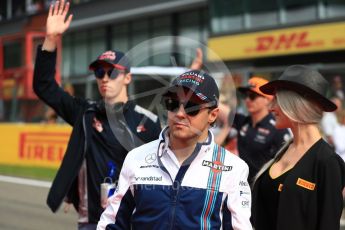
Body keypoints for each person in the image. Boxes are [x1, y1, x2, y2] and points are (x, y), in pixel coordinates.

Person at [33, 1, 161, 229]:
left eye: (111, 72)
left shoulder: (147, 122)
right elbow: (44, 87)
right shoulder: (85, 112)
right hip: (92, 221)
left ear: (128, 78)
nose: (104, 78)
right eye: (100, 72)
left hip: (131, 221)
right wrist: (51, 39)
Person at [97, 70, 252, 230]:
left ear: (213, 115)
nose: (179, 114)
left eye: (192, 107)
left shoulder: (233, 168)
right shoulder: (136, 158)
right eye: (173, 104)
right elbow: (111, 223)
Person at [252, 65, 345, 230]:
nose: (270, 107)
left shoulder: (327, 161)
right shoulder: (282, 150)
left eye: (277, 99)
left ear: (296, 103)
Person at [217, 77, 291, 184]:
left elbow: (286, 165)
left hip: (264, 188)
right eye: (245, 96)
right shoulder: (243, 122)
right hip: (242, 185)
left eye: (252, 96)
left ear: (267, 100)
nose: (247, 100)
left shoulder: (278, 129)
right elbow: (219, 107)